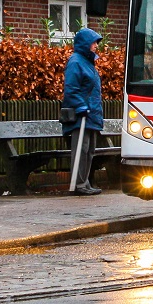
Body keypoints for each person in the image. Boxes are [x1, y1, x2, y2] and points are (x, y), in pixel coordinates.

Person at [62, 28, 104, 196]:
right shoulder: (76, 62)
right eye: (93, 42)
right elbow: (71, 88)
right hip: (82, 114)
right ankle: (79, 184)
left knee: (89, 149)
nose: (95, 46)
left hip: (91, 113)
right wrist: (81, 107)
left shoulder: (87, 62)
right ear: (85, 44)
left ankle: (84, 182)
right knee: (82, 149)